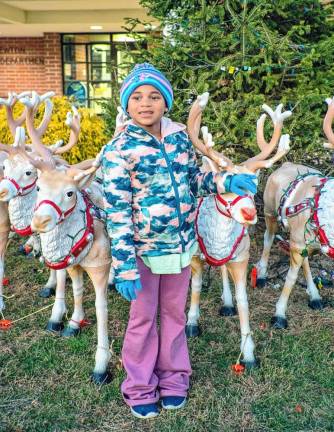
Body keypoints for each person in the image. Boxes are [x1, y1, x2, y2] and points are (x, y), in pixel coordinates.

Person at [101, 63, 257, 419]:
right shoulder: (119, 149)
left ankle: (173, 379)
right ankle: (140, 386)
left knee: (173, 315)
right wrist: (124, 266)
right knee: (142, 320)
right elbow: (117, 212)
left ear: (166, 102)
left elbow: (193, 181)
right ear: (126, 105)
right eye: (137, 97)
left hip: (181, 247)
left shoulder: (178, 138)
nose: (145, 103)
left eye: (154, 96)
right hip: (141, 252)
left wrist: (223, 184)